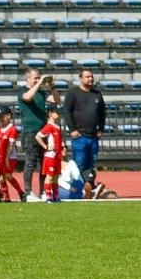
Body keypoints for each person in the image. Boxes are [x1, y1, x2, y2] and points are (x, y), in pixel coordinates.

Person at [62, 69, 106, 200]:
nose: (90, 79)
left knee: (91, 163)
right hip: (79, 136)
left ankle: (90, 187)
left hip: (93, 136)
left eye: (91, 77)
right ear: (80, 79)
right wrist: (72, 129)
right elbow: (67, 111)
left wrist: (101, 129)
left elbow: (103, 112)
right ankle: (80, 189)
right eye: (87, 77)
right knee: (79, 164)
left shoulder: (97, 94)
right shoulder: (73, 93)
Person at [18, 69, 58, 201]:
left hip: (43, 132)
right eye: (35, 78)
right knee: (30, 162)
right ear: (27, 78)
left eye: (38, 78)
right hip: (30, 132)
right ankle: (28, 192)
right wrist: (40, 82)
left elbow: (57, 100)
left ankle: (43, 191)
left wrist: (52, 86)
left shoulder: (41, 93)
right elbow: (28, 97)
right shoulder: (22, 91)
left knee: (44, 163)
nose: (38, 80)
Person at [36, 108, 64, 203]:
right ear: (51, 114)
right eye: (57, 112)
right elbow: (38, 136)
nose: (59, 114)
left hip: (57, 155)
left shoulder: (57, 126)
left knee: (56, 176)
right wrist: (46, 146)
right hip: (50, 155)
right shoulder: (49, 126)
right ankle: (48, 197)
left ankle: (55, 196)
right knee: (50, 176)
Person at [0, 109, 23, 201]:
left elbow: (11, 145)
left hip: (9, 157)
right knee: (1, 177)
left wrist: (6, 157)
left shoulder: (12, 129)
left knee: (8, 175)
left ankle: (21, 193)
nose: (0, 119)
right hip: (0, 157)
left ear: (9, 116)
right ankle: (6, 197)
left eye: (2, 116)